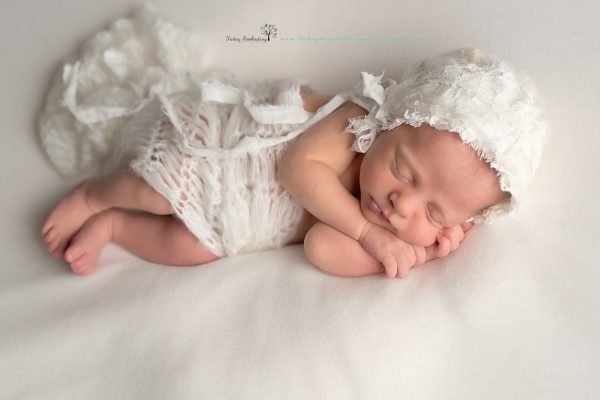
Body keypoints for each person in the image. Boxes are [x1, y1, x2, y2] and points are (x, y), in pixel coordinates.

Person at [40, 47, 547, 278]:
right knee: (155, 188)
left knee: (191, 248)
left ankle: (113, 227)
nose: (402, 202)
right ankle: (93, 195)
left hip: (236, 219)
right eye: (404, 170)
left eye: (435, 215)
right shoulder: (354, 122)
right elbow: (298, 170)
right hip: (218, 153)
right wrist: (371, 234)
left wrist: (420, 253)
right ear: (391, 121)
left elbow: (323, 248)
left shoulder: (385, 226)